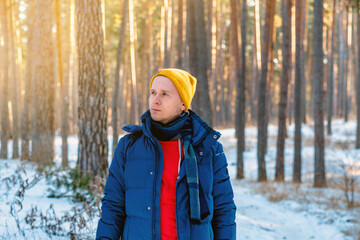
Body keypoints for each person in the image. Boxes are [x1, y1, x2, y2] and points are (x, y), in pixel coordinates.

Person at [96, 68, 236, 240]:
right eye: (153, 92)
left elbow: (224, 209)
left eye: (164, 94)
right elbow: (113, 206)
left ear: (182, 104)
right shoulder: (129, 146)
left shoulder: (207, 149)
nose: (155, 100)